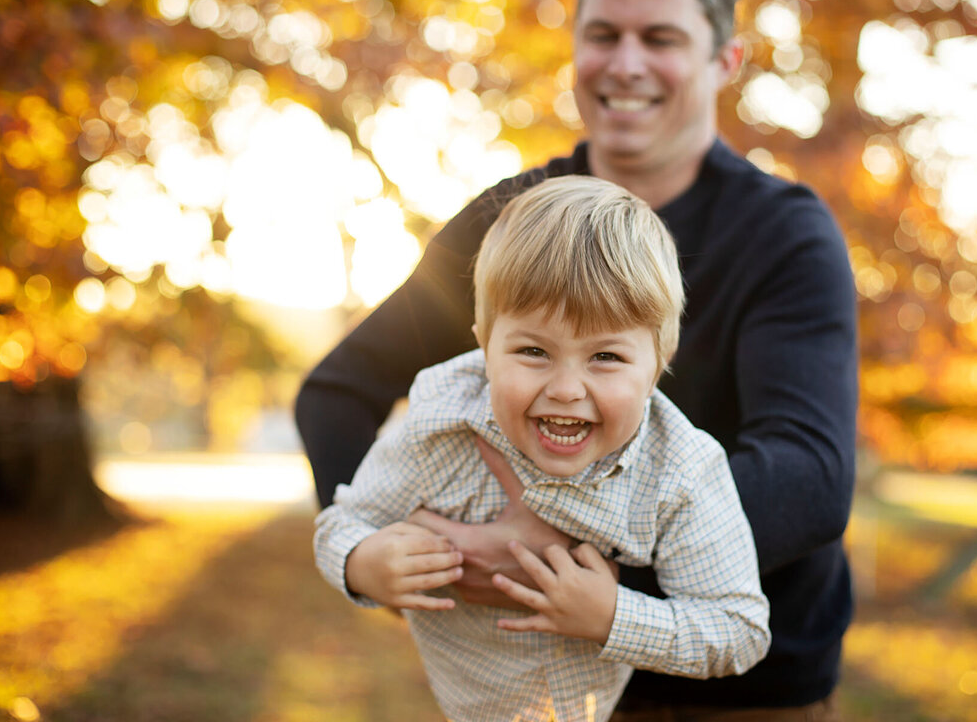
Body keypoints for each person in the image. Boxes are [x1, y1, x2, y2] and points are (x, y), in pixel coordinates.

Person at [297, 0, 857, 718]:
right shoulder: (510, 224)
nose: (625, 63)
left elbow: (809, 474)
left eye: (660, 37)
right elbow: (337, 391)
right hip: (534, 689)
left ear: (724, 60)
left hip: (743, 695)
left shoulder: (784, 234)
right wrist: (389, 554)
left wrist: (563, 553)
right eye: (603, 34)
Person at [314, 177, 771, 722]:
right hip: (464, 703)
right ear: (484, 343)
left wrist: (610, 614)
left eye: (605, 357)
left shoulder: (680, 471)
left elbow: (739, 630)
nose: (565, 389)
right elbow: (342, 523)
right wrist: (363, 564)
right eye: (533, 350)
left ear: (658, 360)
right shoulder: (440, 425)